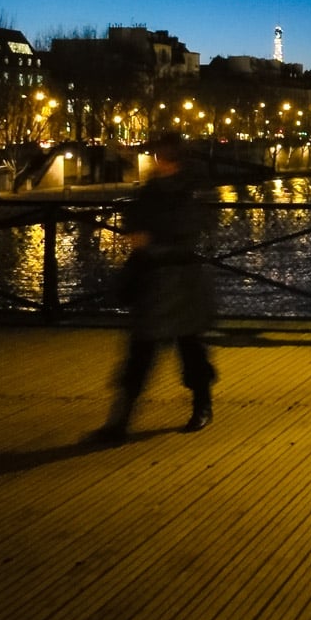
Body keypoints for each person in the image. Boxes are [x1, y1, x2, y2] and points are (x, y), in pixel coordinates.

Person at [88, 133, 216, 444]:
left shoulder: (186, 191)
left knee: (185, 346)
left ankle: (199, 405)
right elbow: (141, 226)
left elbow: (188, 227)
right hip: (160, 278)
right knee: (147, 349)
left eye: (162, 157)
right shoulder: (159, 190)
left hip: (177, 278)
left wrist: (150, 237)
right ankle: (122, 420)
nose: (158, 162)